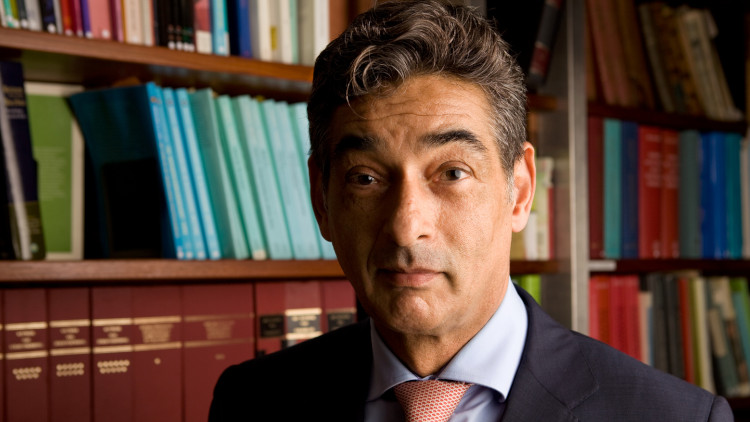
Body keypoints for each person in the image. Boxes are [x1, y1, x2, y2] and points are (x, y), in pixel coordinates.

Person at [209, 1, 733, 420]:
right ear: (321, 200)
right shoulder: (251, 402)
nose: (406, 227)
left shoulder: (676, 416)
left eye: (453, 173)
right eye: (365, 178)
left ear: (519, 190)